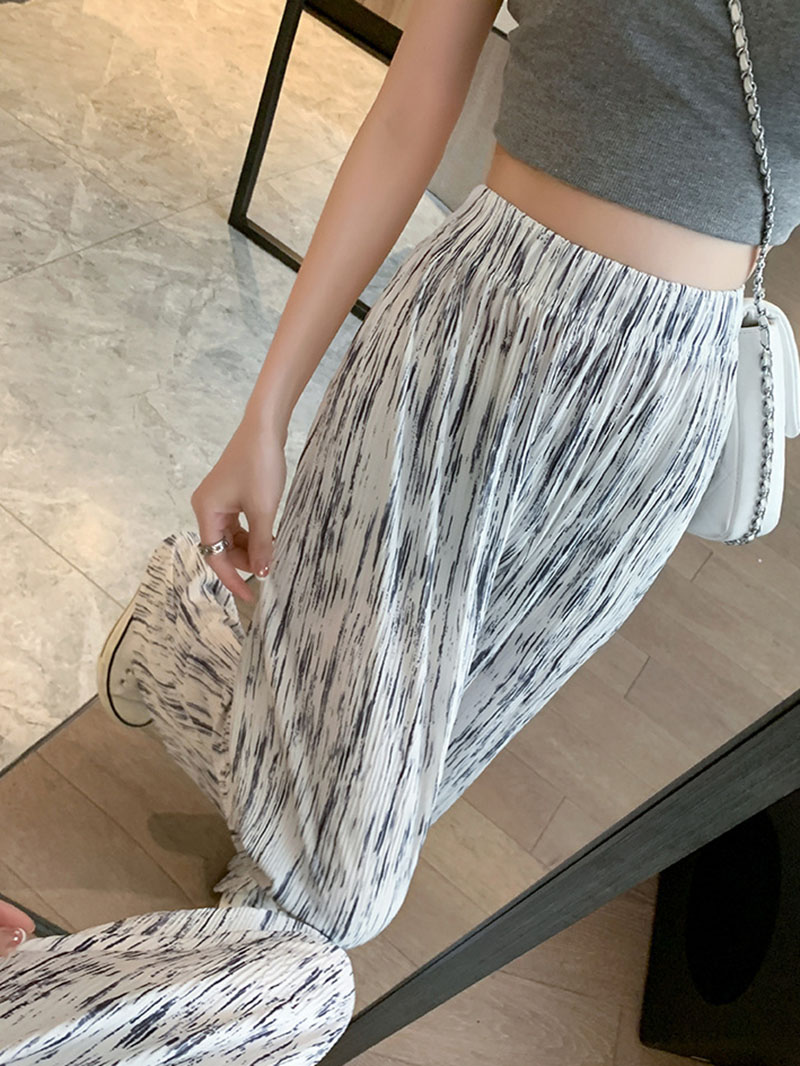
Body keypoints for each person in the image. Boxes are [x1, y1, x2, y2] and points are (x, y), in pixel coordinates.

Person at [2, 0, 798, 1062]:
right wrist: (266, 411)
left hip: (660, 418)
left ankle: (182, 638)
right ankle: (248, 849)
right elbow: (408, 109)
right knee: (347, 891)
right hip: (468, 345)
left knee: (424, 759)